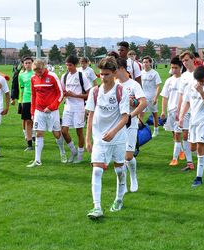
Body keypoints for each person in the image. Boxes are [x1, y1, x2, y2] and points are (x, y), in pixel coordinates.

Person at [85, 56, 129, 219]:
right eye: (101, 74)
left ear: (115, 73)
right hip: (99, 139)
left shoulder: (121, 91)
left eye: (107, 74)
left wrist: (113, 132)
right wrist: (88, 139)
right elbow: (90, 115)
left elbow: (125, 117)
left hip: (117, 139)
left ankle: (119, 198)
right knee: (97, 170)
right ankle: (97, 208)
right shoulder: (94, 92)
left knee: (119, 170)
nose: (103, 77)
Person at [179, 66, 204, 187]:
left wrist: (201, 92)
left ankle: (198, 178)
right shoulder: (192, 85)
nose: (199, 83)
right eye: (198, 80)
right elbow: (188, 101)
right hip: (193, 120)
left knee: (200, 146)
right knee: (193, 148)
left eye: (201, 80)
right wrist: (182, 116)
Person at [27, 59, 67, 167]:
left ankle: (62, 152)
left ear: (44, 67)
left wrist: (52, 107)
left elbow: (61, 93)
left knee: (57, 134)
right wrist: (32, 112)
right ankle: (37, 160)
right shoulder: (33, 78)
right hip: (39, 111)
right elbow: (33, 96)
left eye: (39, 70)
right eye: (35, 71)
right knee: (38, 133)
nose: (38, 73)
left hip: (52, 111)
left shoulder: (52, 76)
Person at [116, 57, 147, 192]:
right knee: (119, 158)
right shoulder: (113, 84)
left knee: (128, 156)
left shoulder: (134, 85)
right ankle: (122, 186)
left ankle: (133, 178)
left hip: (130, 123)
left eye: (114, 69)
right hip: (116, 124)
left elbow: (143, 103)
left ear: (122, 68)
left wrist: (131, 113)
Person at [61, 55, 92, 163]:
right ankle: (73, 151)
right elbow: (62, 92)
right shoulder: (64, 76)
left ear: (75, 65)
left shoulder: (81, 76)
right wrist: (65, 94)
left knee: (79, 132)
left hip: (79, 108)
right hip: (67, 107)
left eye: (70, 65)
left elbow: (89, 94)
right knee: (64, 131)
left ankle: (80, 156)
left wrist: (74, 95)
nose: (68, 67)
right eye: (67, 65)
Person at [160, 57, 183, 166]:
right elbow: (164, 96)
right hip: (171, 111)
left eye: (176, 68)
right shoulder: (169, 81)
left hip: (182, 111)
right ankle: (181, 151)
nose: (173, 70)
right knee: (174, 134)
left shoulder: (184, 80)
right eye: (172, 68)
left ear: (181, 67)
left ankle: (175, 158)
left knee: (179, 134)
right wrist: (163, 111)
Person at [177, 51, 196, 171]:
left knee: (196, 137)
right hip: (185, 108)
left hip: (197, 108)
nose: (185, 63)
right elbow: (181, 94)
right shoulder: (183, 76)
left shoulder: (200, 72)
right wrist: (179, 111)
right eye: (183, 61)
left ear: (193, 59)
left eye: (187, 60)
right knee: (185, 135)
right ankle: (190, 162)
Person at [140, 55, 162, 137]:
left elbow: (158, 86)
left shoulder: (154, 73)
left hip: (152, 98)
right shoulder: (140, 73)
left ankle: (156, 130)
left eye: (146, 62)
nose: (145, 64)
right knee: (141, 114)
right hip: (142, 98)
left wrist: (155, 97)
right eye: (144, 62)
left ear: (150, 63)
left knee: (154, 114)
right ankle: (140, 130)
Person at [19, 56, 34, 151]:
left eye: (29, 62)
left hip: (36, 100)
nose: (28, 64)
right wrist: (21, 101)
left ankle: (37, 137)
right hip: (26, 100)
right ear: (23, 64)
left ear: (32, 63)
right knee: (28, 121)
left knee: (36, 121)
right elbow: (22, 88)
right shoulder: (22, 75)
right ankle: (29, 144)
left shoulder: (36, 73)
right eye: (26, 63)